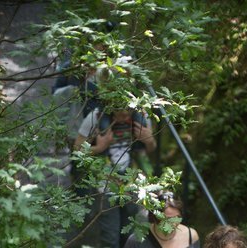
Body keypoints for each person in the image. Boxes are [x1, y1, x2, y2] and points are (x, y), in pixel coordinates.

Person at [73, 106, 156, 248]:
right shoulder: (95, 116)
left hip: (131, 182)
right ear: (112, 106)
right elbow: (76, 150)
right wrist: (99, 148)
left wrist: (148, 140)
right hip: (105, 183)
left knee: (128, 233)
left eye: (128, 113)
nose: (124, 117)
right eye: (120, 112)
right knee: (110, 237)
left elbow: (150, 149)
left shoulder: (141, 115)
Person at [124, 191, 200, 248]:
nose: (173, 223)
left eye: (176, 218)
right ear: (155, 217)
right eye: (167, 219)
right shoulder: (136, 240)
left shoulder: (191, 235)